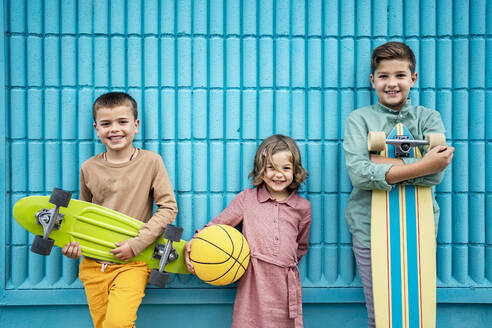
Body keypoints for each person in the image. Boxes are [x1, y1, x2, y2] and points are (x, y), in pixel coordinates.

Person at [343, 41, 455, 327]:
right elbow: (359, 174)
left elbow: (436, 174)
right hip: (369, 229)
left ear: (413, 79)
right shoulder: (360, 120)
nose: (392, 83)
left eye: (400, 75)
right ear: (373, 80)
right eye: (383, 76)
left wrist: (381, 165)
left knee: (417, 315)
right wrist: (422, 164)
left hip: (419, 228)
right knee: (381, 316)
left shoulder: (428, 118)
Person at [62, 92, 178, 328]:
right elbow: (82, 217)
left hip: (133, 263)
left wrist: (137, 244)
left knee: (117, 324)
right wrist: (72, 246)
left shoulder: (151, 162)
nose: (114, 129)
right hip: (93, 264)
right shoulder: (88, 168)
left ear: (135, 126)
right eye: (106, 124)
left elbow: (168, 207)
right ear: (96, 129)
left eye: (122, 122)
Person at [184, 134, 311, 328]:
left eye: (286, 168)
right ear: (262, 169)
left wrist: (281, 261)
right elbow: (219, 225)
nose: (279, 175)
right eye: (271, 168)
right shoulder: (247, 199)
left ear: (295, 170)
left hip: (284, 283)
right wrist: (196, 241)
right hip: (253, 280)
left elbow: (301, 246)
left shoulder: (302, 207)